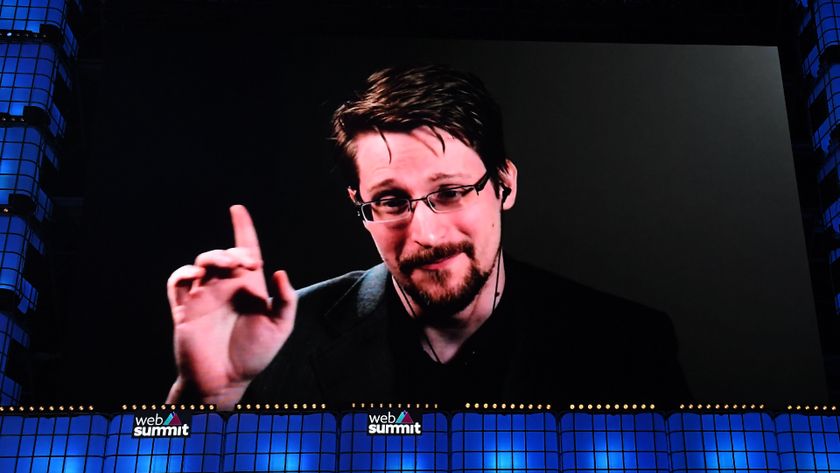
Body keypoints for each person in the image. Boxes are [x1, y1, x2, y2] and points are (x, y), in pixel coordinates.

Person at [166, 65, 690, 410]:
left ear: (504, 184)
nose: (427, 233)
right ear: (361, 209)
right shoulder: (274, 342)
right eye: (392, 201)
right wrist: (206, 393)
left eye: (453, 191)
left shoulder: (628, 344)